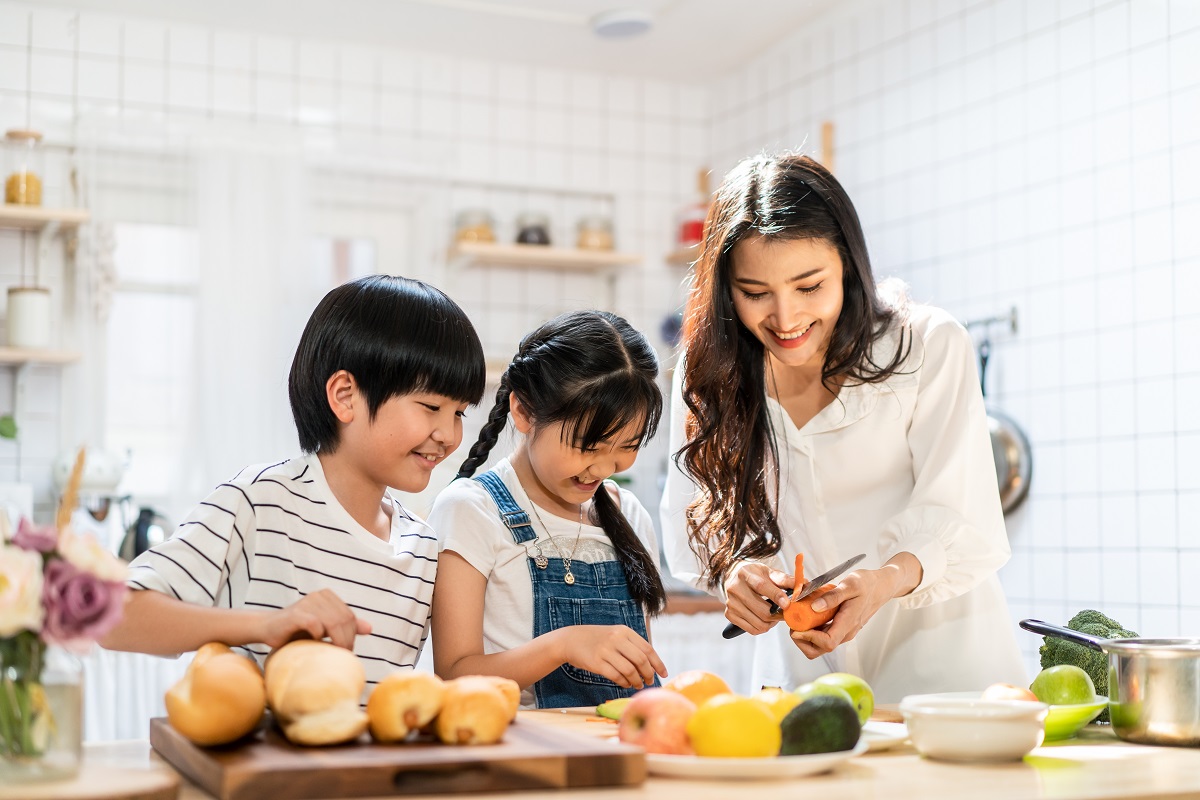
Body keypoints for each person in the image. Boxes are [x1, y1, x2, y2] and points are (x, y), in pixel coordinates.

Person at [660, 153, 1026, 703]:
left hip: (947, 677)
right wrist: (735, 572)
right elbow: (697, 514)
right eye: (755, 292)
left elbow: (964, 516)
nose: (785, 319)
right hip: (808, 681)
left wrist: (883, 580)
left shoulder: (925, 346)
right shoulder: (709, 370)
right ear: (726, 289)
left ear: (848, 266)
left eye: (810, 286)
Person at [101, 275, 486, 690]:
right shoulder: (259, 504)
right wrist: (266, 625)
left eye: (459, 413)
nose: (449, 434)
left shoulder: (423, 549)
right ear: (344, 396)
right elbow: (113, 617)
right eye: (431, 406)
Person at [428, 310, 669, 709]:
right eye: (588, 447)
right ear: (522, 412)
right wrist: (562, 645)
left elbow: (638, 673)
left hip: (620, 752)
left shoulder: (629, 514)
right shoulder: (472, 511)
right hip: (523, 756)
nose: (604, 469)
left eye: (627, 446)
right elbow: (453, 676)